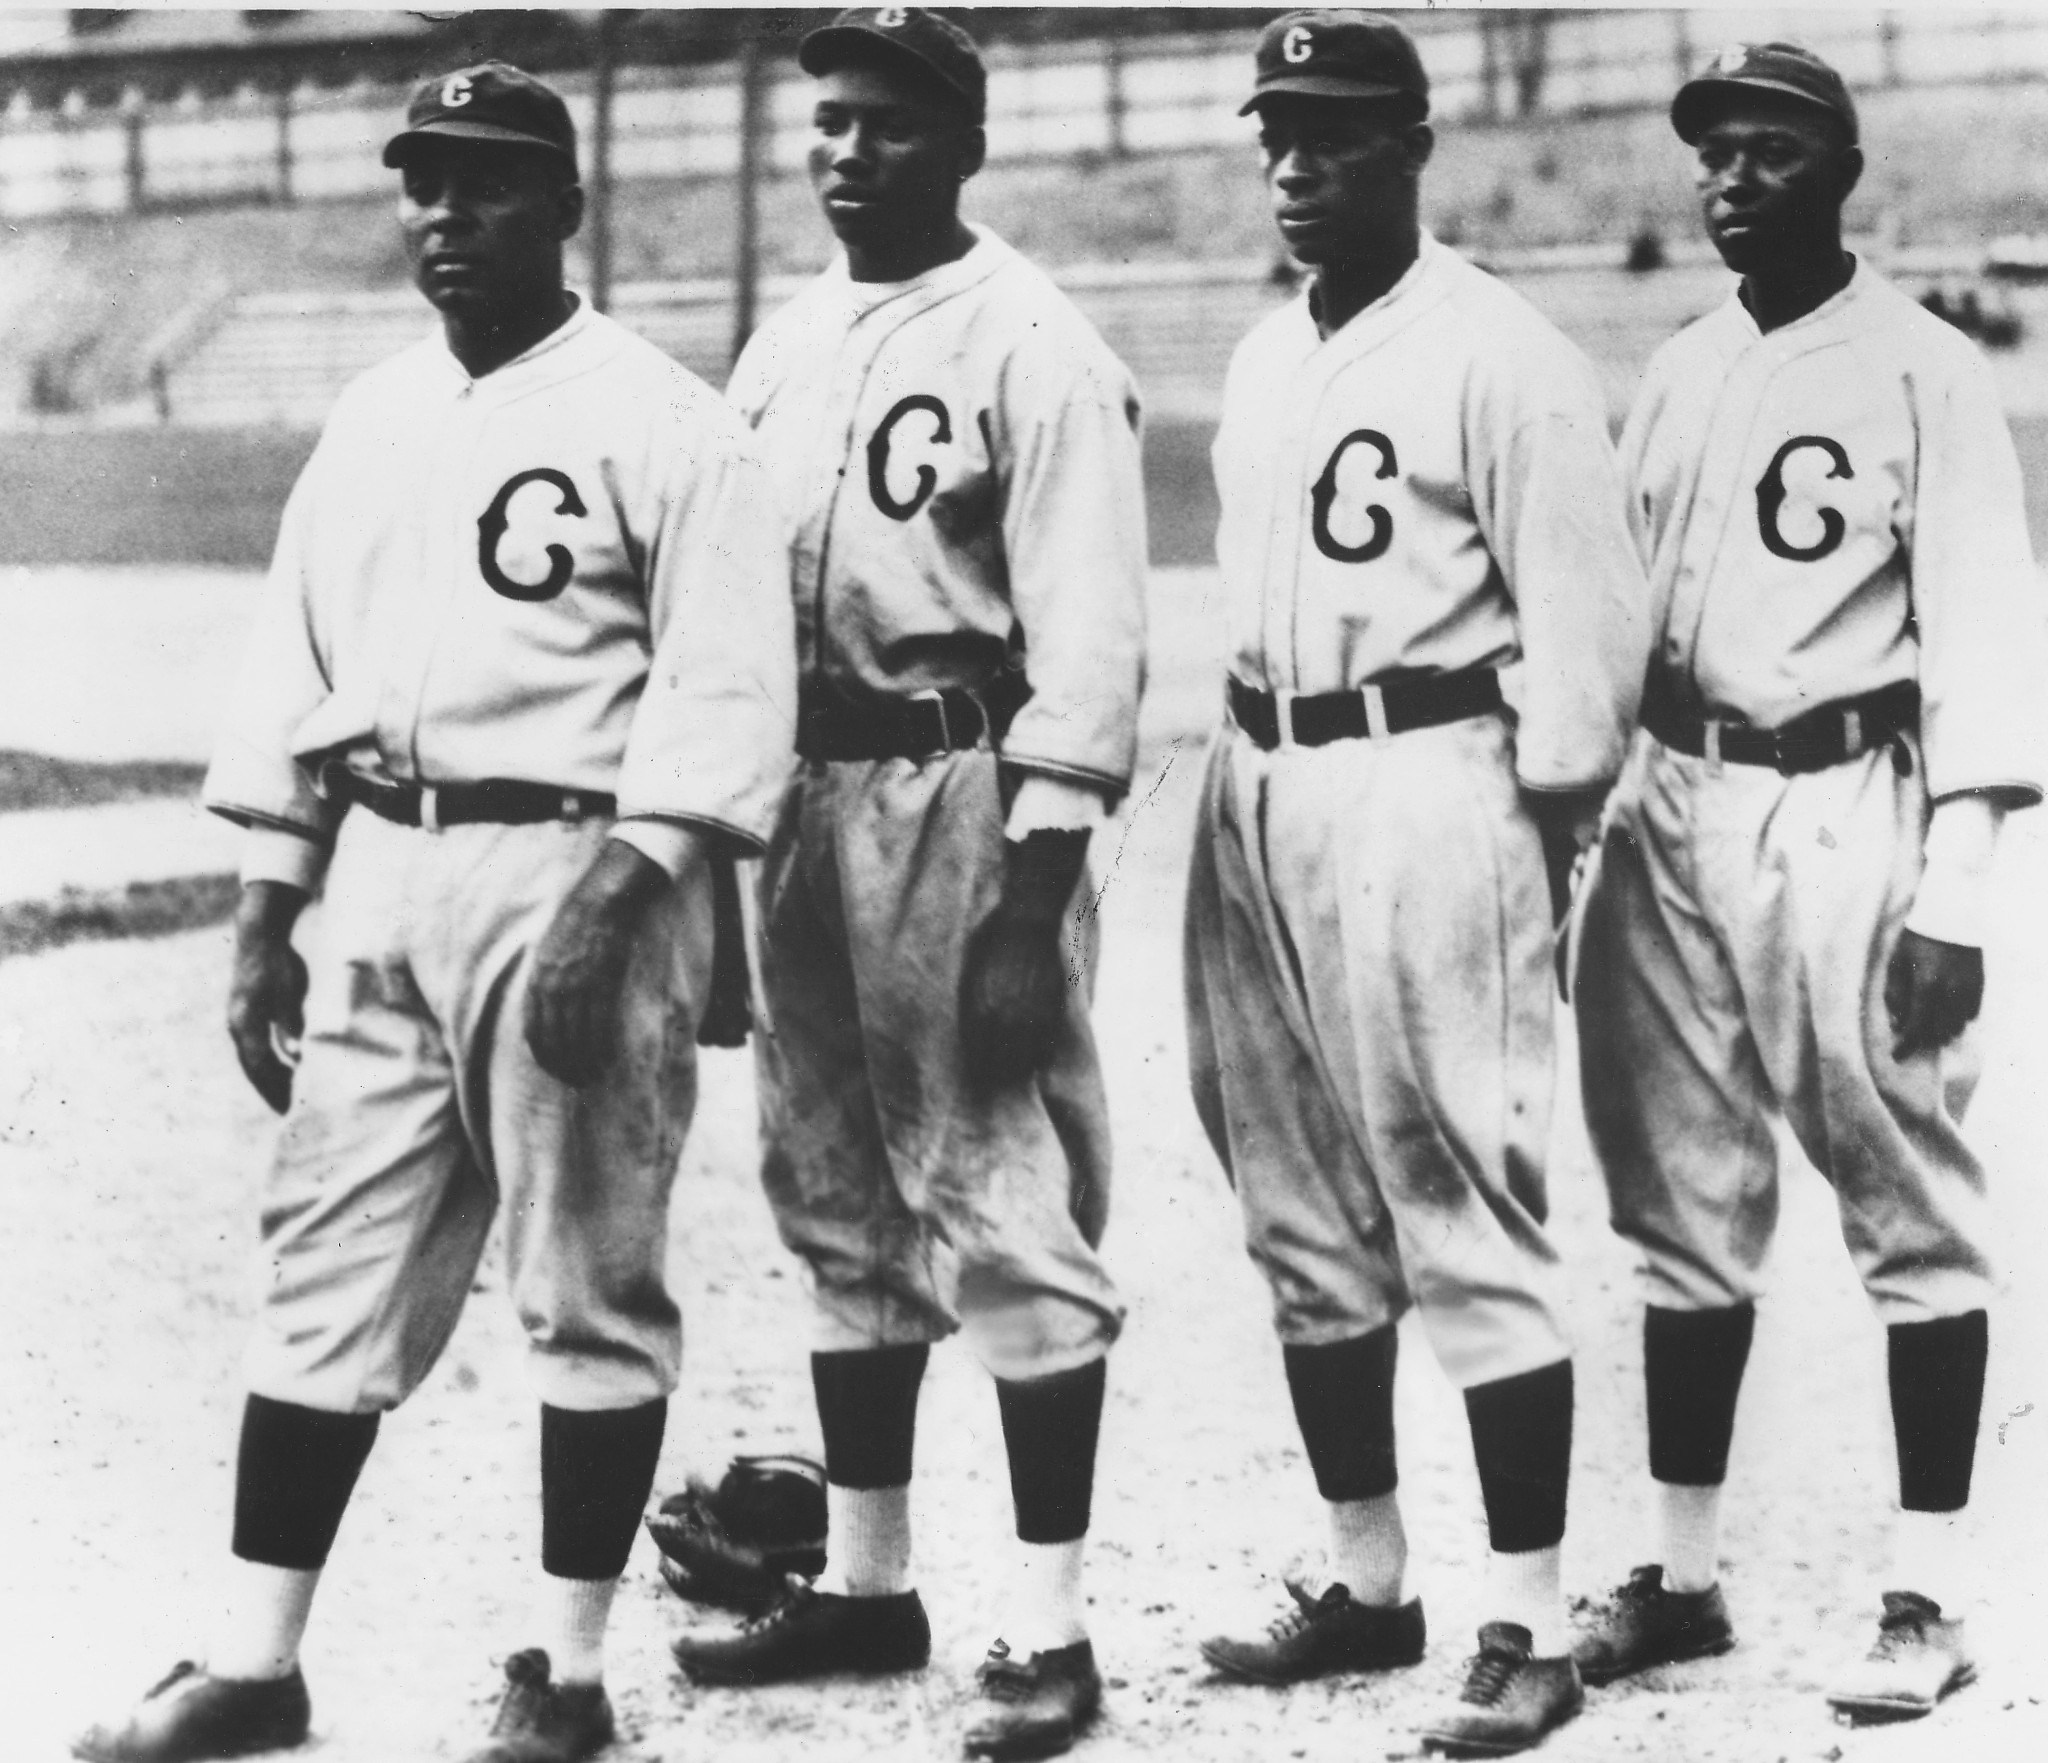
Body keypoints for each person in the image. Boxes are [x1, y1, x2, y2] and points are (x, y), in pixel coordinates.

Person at [72, 63, 796, 1763]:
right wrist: (270, 901)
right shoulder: (376, 417)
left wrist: (629, 893)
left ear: (565, 207)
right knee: (324, 1262)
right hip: (389, 865)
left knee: (585, 1279)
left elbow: (726, 693)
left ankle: (569, 1675)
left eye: (484, 186)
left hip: (579, 871)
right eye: (424, 186)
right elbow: (294, 670)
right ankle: (256, 1664)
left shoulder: (664, 419)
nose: (446, 217)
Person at [665, 11, 1148, 1761]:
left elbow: (1093, 646)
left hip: (959, 784)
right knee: (835, 1196)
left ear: (960, 142)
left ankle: (1050, 1624)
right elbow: (718, 610)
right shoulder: (787, 340)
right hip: (800, 793)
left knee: (996, 1189)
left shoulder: (1036, 344)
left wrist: (1035, 893)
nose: (842, 152)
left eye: (881, 124)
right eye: (826, 124)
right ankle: (869, 1585)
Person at [1181, 12, 1651, 1757]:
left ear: (1415, 144)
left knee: (1463, 1195)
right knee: (1296, 1207)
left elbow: (1585, 636)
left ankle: (1526, 1625)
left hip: (1430, 778)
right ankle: (1370, 1585)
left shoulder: (1502, 353)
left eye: (1339, 135)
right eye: (1278, 137)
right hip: (1263, 777)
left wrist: (1537, 825)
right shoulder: (1261, 353)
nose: (1300, 166)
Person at [1568, 42, 2045, 1723]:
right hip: (1676, 799)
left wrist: (1963, 895)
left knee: (1906, 1195)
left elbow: (1988, 627)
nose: (1731, 180)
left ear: (1841, 175)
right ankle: (1687, 1579)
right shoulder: (1688, 362)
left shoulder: (1922, 367)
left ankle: (1929, 1594)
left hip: (1847, 802)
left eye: (1769, 153)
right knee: (1677, 1197)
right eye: (1713, 153)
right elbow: (1622, 620)